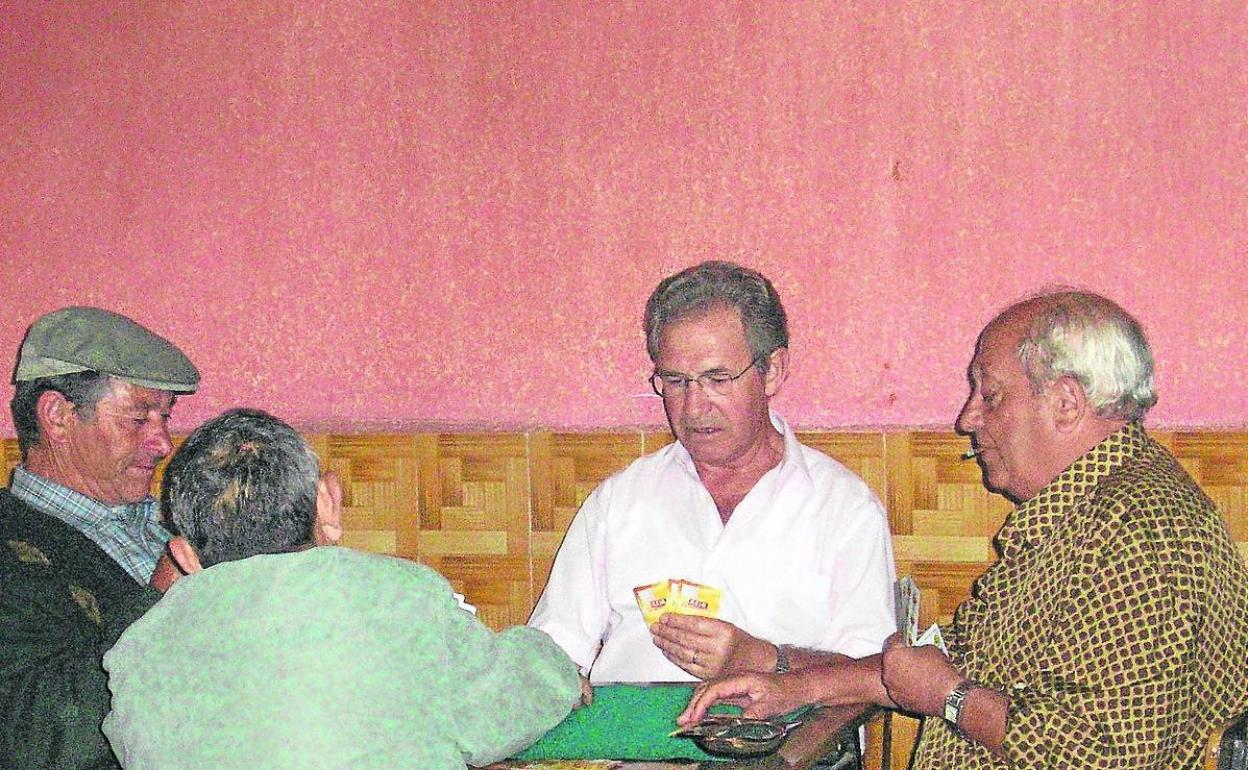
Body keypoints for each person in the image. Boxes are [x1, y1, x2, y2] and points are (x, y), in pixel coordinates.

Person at [681, 290, 1248, 769]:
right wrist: (793, 687)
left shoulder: (1134, 530)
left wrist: (952, 700)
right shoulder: (1079, 512)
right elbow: (934, 663)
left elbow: (1103, 754)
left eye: (990, 395)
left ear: (1067, 403)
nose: (967, 418)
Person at [102, 408, 581, 770]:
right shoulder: (402, 597)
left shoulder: (136, 650)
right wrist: (555, 667)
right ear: (328, 504)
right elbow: (505, 705)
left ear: (185, 558)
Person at [529, 261, 896, 684]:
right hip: (627, 746)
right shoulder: (620, 502)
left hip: (781, 746)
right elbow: (554, 653)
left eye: (717, 379)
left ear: (772, 371)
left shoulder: (843, 509)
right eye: (676, 381)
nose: (695, 407)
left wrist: (763, 658)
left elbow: (875, 677)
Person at [0, 306, 198, 770]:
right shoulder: (10, 549)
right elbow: (39, 740)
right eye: (139, 419)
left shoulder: (171, 516)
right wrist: (161, 600)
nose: (164, 443)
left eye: (165, 418)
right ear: (58, 417)